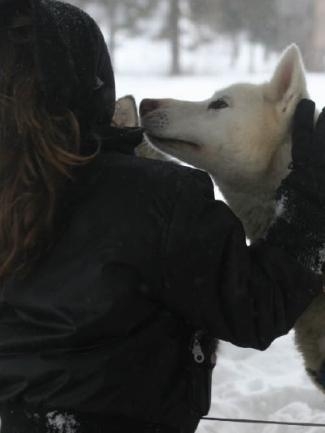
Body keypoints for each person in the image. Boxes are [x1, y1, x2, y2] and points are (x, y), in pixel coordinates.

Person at [0, 1, 324, 433]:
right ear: (92, 82)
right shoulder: (154, 197)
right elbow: (257, 306)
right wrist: (311, 193)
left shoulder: (15, 193)